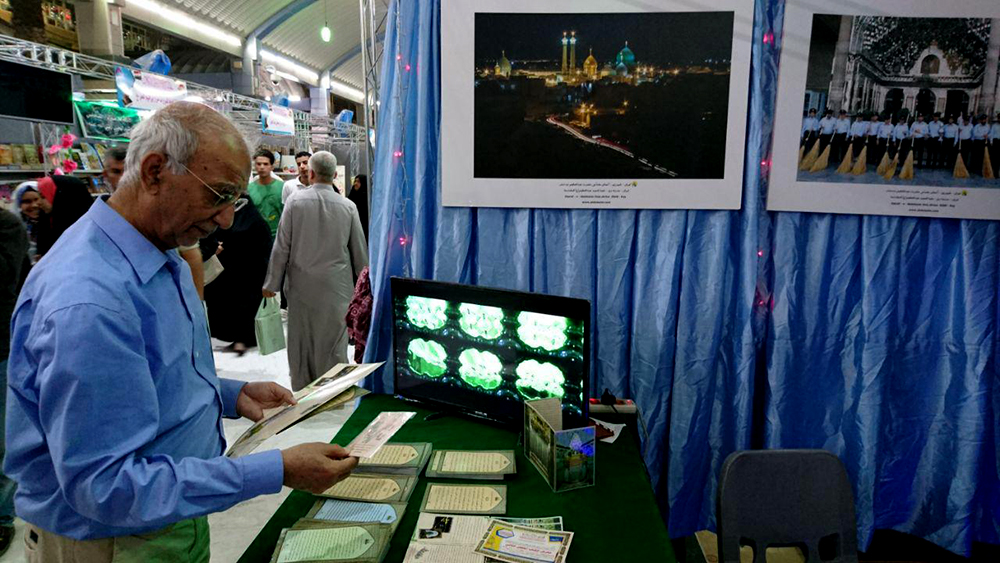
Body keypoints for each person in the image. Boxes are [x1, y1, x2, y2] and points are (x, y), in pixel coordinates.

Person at [6, 102, 358, 561]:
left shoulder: (157, 249)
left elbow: (147, 374)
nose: (226, 219)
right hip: (112, 543)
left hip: (167, 515)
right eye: (218, 195)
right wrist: (275, 470)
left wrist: (227, 393)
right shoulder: (89, 302)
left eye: (235, 200)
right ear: (155, 172)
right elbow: (107, 487)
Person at [263, 151, 368, 390]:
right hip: (337, 286)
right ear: (333, 175)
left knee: (302, 339)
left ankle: (303, 389)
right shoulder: (348, 207)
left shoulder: (294, 202)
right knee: (334, 340)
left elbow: (282, 246)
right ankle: (334, 388)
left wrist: (271, 283)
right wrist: (365, 288)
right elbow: (359, 251)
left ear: (311, 173)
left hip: (301, 285)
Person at [204, 196, 273, 355]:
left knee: (243, 306)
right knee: (236, 306)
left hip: (247, 274)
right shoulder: (254, 220)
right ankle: (239, 339)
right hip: (237, 274)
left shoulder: (254, 222)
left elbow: (265, 249)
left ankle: (242, 339)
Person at [0, 208, 28, 556]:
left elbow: (5, 280)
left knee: (3, 439)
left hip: (2, 347)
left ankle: (2, 516)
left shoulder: (7, 226)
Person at [247, 148, 283, 239]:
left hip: (278, 236)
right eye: (259, 164)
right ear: (255, 166)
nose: (262, 167)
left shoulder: (282, 187)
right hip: (256, 236)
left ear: (272, 167)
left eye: (266, 164)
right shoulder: (249, 189)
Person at [13, 181, 49, 263]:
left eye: (37, 199)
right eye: (27, 201)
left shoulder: (54, 225)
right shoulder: (15, 227)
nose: (34, 205)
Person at [348, 174, 369, 243]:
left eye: (358, 182)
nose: (356, 183)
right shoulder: (352, 196)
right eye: (355, 181)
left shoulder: (366, 198)